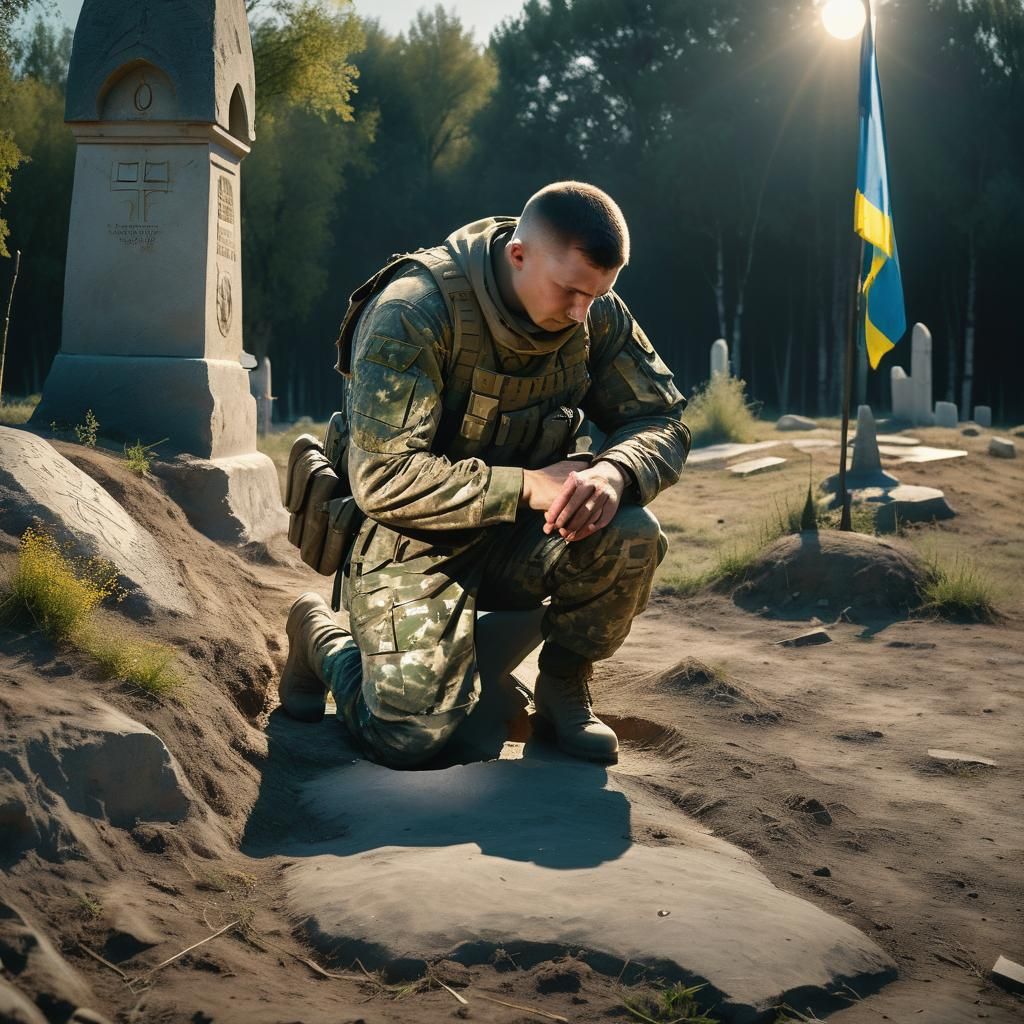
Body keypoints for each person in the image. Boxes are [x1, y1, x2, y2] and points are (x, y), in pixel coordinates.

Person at [278, 181, 690, 768]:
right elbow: (384, 478)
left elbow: (660, 418)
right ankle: (320, 638)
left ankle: (563, 687)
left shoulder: (593, 313)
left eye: (596, 296)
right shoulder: (414, 311)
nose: (581, 312)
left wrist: (616, 473)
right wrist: (526, 485)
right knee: (409, 736)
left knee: (631, 533)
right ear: (518, 254)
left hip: (514, 537)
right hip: (408, 537)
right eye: (571, 291)